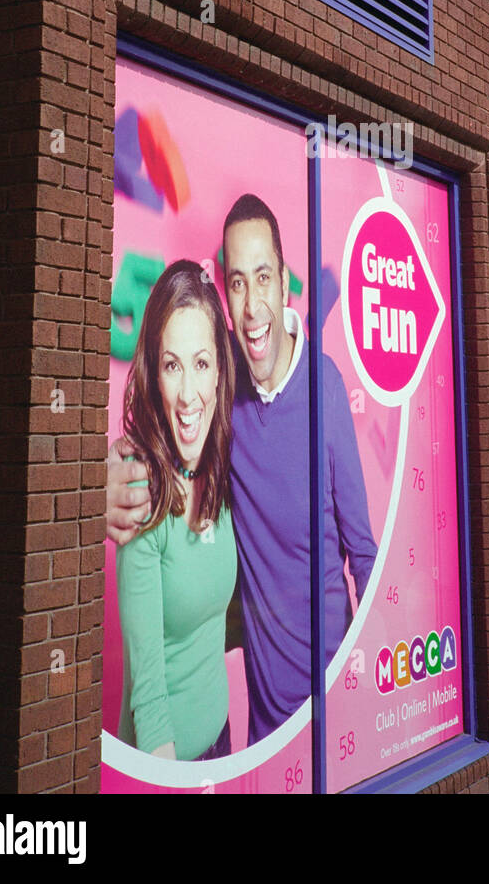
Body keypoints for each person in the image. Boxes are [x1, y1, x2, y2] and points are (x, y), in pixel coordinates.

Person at [108, 196, 378, 745]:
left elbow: (365, 555)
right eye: (236, 282)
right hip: (262, 727)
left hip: (336, 703)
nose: (253, 303)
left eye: (262, 278)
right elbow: (166, 404)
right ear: (226, 295)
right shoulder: (218, 379)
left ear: (283, 281)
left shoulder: (324, 385)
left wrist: (373, 690)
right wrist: (105, 475)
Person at [115, 260, 237, 761]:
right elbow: (149, 693)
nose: (189, 394)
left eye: (201, 363)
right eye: (172, 365)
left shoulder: (219, 472)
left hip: (223, 741)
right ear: (153, 373)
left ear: (219, 373)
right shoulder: (139, 492)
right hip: (168, 763)